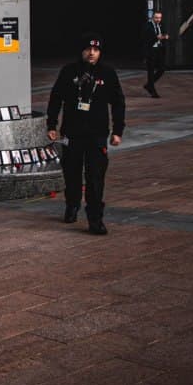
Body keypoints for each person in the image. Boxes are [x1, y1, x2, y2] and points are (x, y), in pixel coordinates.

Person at [46, 33, 126, 235]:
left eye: (96, 50)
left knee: (95, 177)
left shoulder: (107, 73)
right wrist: (51, 125)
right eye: (88, 49)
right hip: (72, 133)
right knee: (71, 174)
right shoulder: (69, 71)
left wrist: (118, 131)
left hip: (97, 133)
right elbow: (55, 98)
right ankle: (72, 205)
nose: (92, 53)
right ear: (81, 51)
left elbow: (118, 103)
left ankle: (95, 219)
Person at [141, 10, 169, 97]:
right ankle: (152, 91)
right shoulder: (148, 26)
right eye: (156, 17)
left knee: (162, 69)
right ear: (153, 17)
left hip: (159, 50)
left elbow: (164, 34)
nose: (158, 19)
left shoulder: (161, 24)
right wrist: (156, 37)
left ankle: (149, 85)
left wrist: (165, 36)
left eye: (160, 18)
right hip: (151, 50)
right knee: (150, 70)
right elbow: (146, 38)